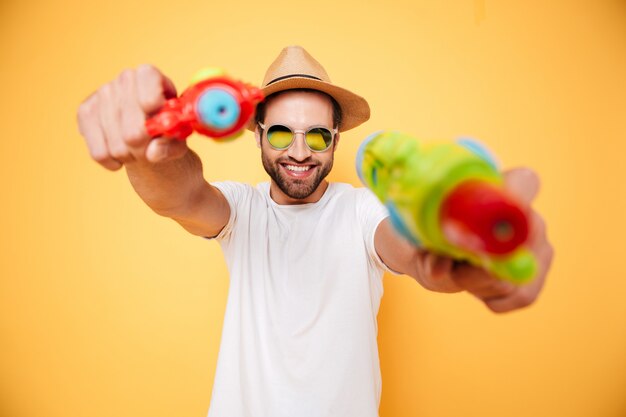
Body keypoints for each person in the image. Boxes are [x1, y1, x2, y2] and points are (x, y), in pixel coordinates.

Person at [76, 45, 553, 417]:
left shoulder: (361, 210)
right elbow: (179, 196)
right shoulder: (241, 210)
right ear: (258, 134)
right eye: (282, 133)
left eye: (318, 136)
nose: (300, 152)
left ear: (335, 141)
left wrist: (451, 238)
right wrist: (145, 150)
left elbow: (404, 246)